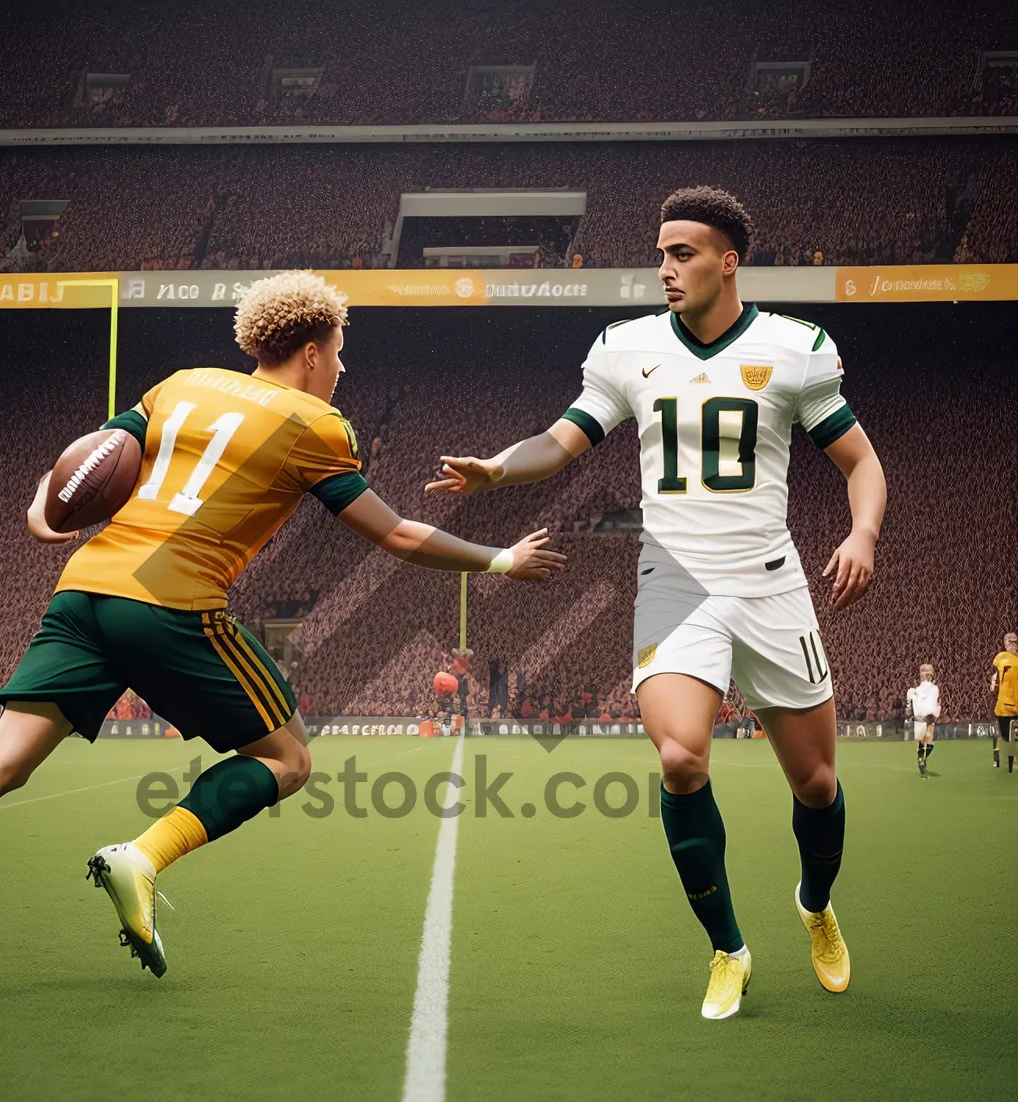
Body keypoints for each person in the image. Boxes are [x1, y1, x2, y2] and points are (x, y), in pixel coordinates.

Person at [0, 271, 565, 1000]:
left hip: (86, 586)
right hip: (173, 601)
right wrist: (500, 559)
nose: (341, 366)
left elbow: (77, 470)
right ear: (309, 351)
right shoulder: (317, 424)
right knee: (288, 757)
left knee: (2, 759)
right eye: (338, 351)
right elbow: (397, 534)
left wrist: (42, 518)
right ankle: (142, 857)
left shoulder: (179, 385)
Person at [426, 186, 886, 1019]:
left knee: (817, 784)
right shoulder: (627, 347)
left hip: (771, 581)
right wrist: (498, 467)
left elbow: (861, 462)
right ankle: (728, 949)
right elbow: (562, 441)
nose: (665, 268)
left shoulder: (795, 348)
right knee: (680, 759)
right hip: (674, 580)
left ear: (727, 261)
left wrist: (862, 535)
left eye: (683, 253)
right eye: (661, 252)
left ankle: (814, 905)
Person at [905, 664, 941, 777]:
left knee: (922, 742)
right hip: (928, 718)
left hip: (919, 719)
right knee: (929, 741)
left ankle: (922, 761)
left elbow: (908, 709)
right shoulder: (934, 689)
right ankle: (922, 761)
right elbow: (935, 704)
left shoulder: (914, 691)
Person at [991, 632, 1018, 772]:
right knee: (1002, 734)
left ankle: (1009, 762)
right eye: (1011, 642)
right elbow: (995, 679)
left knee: (1007, 735)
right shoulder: (1002, 658)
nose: (1013, 645)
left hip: (1010, 703)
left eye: (1014, 642)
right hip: (1004, 704)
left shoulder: (1008, 659)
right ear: (1006, 642)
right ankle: (1000, 760)